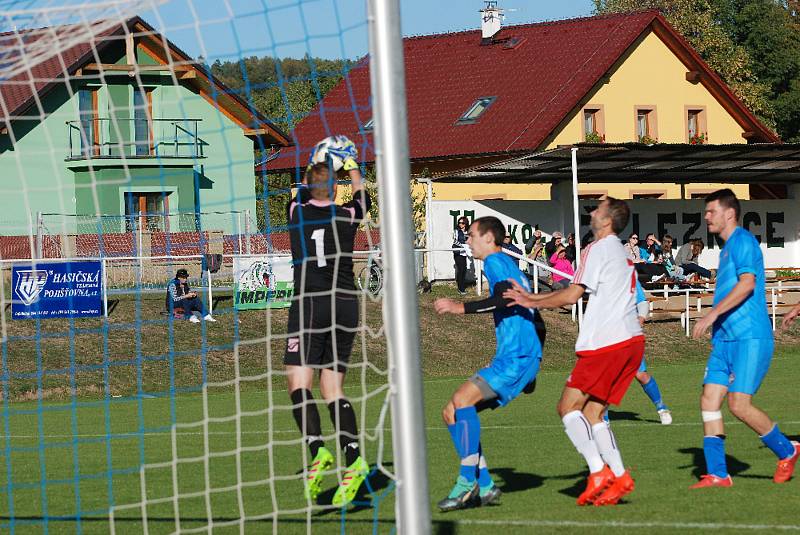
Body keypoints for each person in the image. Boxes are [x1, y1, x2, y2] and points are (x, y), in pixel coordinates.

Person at [504, 197, 643, 506]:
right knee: (594, 412)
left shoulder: (597, 248)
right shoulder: (621, 252)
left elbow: (570, 295)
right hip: (631, 341)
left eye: (597, 209)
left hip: (606, 343)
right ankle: (620, 475)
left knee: (568, 408)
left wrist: (531, 300)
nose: (591, 212)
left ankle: (598, 471)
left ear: (607, 221)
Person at [433, 216, 545, 512]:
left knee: (461, 401)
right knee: (451, 413)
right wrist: (536, 362)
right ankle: (485, 486)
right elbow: (537, 317)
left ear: (488, 238)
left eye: (471, 235)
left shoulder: (495, 262)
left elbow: (503, 300)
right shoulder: (510, 266)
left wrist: (461, 307)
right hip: (521, 357)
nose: (468, 240)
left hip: (515, 358)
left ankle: (466, 481)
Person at [690, 189, 798, 488]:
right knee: (709, 400)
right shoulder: (725, 249)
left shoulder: (744, 242)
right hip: (723, 341)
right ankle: (718, 474)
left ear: (729, 213)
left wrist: (711, 315)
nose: (707, 216)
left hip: (750, 337)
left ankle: (787, 450)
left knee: (738, 405)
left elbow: (748, 284)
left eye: (712, 211)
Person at [284, 138, 372, 506]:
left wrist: (317, 158)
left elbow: (297, 192)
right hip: (345, 305)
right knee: (333, 389)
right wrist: (351, 165)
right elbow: (363, 201)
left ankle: (318, 450)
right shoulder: (345, 216)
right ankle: (354, 460)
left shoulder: (296, 213)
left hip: (310, 305)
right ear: (335, 188)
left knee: (298, 384)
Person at [633, 280, 672, 424]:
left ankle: (662, 408)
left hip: (628, 337)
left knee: (641, 375)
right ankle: (603, 420)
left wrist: (640, 319)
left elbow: (642, 302)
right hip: (607, 338)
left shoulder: (628, 274)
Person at [453, 216, 471, 295]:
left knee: (464, 269)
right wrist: (463, 246)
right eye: (459, 223)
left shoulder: (468, 232)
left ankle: (462, 287)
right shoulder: (456, 231)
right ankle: (460, 289)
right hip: (458, 251)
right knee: (460, 269)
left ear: (465, 223)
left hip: (465, 252)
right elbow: (454, 241)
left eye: (462, 223)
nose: (461, 224)